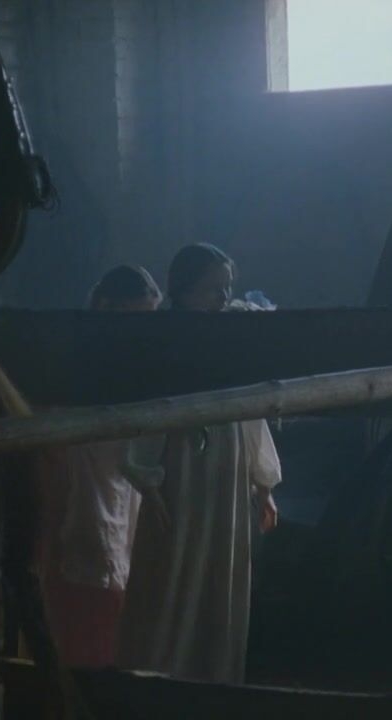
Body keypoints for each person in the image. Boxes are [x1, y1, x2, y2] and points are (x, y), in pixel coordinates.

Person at [117, 243, 281, 684]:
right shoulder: (167, 340)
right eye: (213, 289)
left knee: (220, 570)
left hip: (228, 464)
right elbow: (150, 409)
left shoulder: (230, 337)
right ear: (185, 291)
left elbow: (250, 408)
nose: (223, 298)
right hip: (184, 463)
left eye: (227, 288)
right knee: (175, 568)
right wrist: (149, 482)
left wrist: (263, 483)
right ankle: (159, 675)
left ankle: (216, 677)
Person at [39, 264, 167, 668]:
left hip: (120, 473)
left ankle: (104, 666)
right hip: (82, 467)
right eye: (135, 316)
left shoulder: (141, 357)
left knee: (119, 561)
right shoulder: (78, 351)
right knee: (86, 550)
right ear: (109, 308)